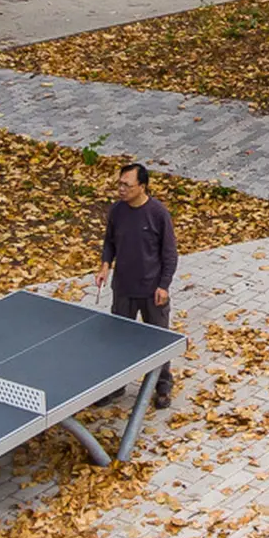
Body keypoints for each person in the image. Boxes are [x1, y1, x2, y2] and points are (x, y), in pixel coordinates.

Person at [99, 161, 177, 409]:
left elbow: (170, 254)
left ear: (142, 187)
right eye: (119, 184)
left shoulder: (158, 214)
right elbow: (109, 242)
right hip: (123, 288)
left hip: (152, 291)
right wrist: (104, 265)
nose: (121, 189)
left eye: (127, 185)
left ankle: (162, 385)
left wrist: (163, 286)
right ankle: (117, 386)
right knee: (119, 340)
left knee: (158, 341)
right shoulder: (117, 211)